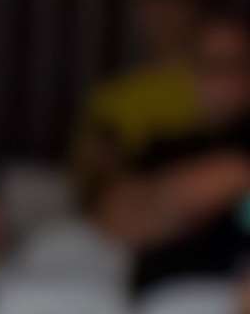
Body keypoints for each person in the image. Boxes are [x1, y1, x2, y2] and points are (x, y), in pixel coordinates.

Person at [100, 15, 250, 294]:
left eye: (234, 66)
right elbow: (117, 220)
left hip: (229, 300)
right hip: (158, 303)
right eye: (209, 66)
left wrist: (161, 199)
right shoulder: (164, 144)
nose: (221, 80)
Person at [71, 0, 206, 194]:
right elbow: (86, 172)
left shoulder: (220, 86)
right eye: (155, 8)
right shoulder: (111, 95)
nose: (164, 18)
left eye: (173, 7)